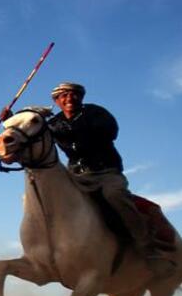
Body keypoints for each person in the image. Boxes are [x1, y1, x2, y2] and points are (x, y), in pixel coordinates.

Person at [45, 82, 168, 269]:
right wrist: (10, 120)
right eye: (63, 95)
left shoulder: (96, 113)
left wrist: (73, 130)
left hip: (106, 172)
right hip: (76, 176)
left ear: (81, 97)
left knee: (115, 195)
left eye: (74, 94)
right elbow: (34, 135)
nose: (69, 98)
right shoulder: (53, 124)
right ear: (56, 101)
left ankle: (147, 249)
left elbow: (110, 132)